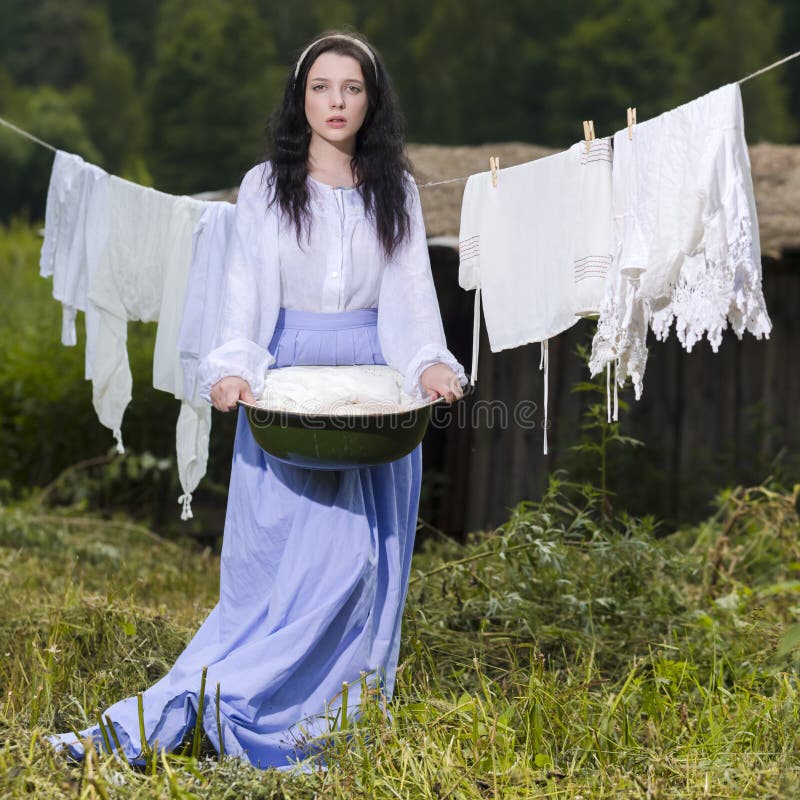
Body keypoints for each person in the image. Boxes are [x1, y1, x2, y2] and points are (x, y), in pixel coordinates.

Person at [49, 30, 466, 769]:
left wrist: (428, 362)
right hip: (292, 388)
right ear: (299, 97)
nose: (336, 102)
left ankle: (328, 718)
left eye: (352, 89)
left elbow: (409, 291)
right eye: (321, 87)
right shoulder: (266, 186)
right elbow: (243, 291)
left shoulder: (393, 187)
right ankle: (231, 703)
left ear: (373, 101)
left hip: (372, 387)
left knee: (368, 565)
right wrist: (235, 364)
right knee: (304, 573)